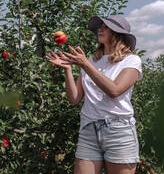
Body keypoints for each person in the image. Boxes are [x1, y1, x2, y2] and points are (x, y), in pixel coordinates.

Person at [46, 15, 142, 174]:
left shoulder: (131, 60)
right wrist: (68, 70)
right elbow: (74, 99)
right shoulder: (91, 61)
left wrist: (85, 64)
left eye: (106, 27)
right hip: (88, 129)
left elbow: (114, 90)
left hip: (118, 131)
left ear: (118, 33)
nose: (100, 29)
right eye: (100, 26)